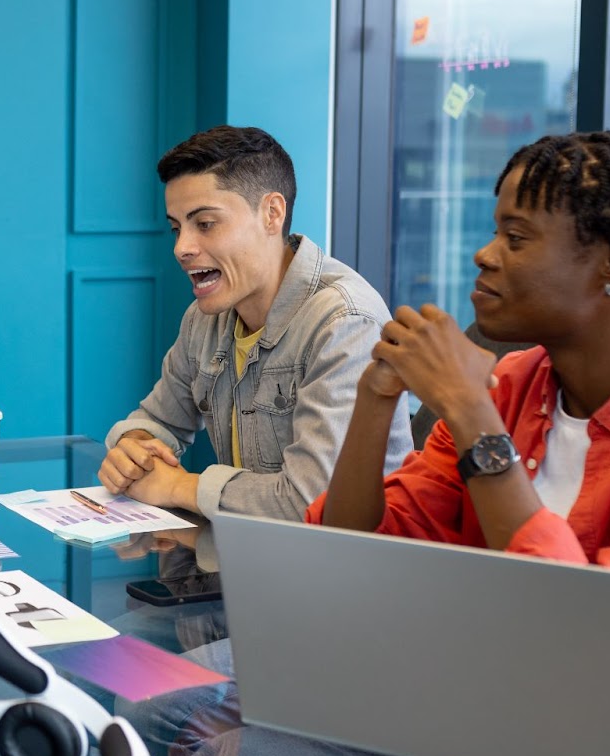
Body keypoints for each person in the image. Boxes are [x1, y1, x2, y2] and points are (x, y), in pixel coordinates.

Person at [170, 130, 610, 756]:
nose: (485, 254)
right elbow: (352, 550)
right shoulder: (521, 385)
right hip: (480, 725)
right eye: (494, 231)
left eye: (515, 237)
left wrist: (473, 417)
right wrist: (376, 395)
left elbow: (586, 650)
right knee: (169, 733)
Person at [99, 125, 412, 519]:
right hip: (259, 559)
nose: (182, 248)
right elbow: (159, 419)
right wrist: (134, 446)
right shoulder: (204, 318)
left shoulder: (344, 322)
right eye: (177, 228)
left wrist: (180, 486)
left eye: (206, 224)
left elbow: (313, 503)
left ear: (272, 213)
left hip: (354, 572)